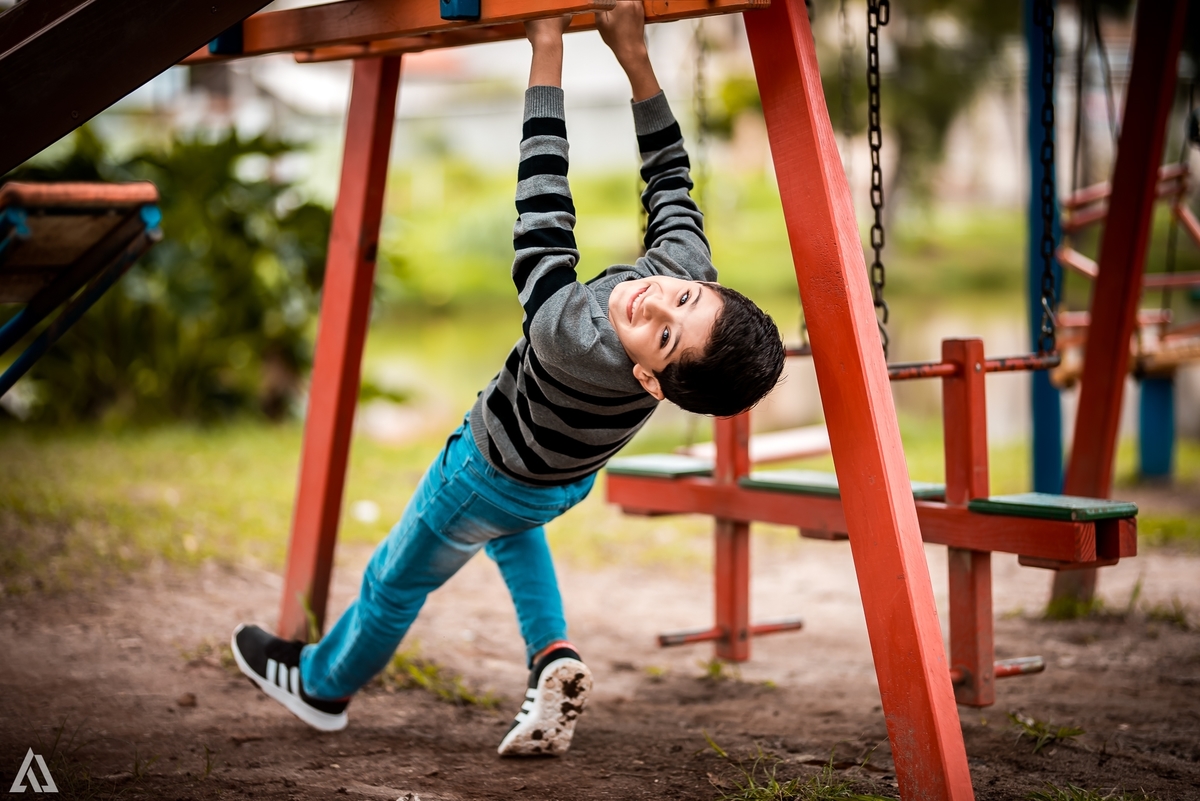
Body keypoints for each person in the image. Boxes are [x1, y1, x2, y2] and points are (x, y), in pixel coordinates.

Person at [230, 1, 785, 756]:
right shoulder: (685, 277)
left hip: (485, 468)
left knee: (397, 577)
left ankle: (322, 685)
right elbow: (669, 173)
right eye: (683, 297)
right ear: (705, 284)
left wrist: (546, 48)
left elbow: (543, 211)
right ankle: (553, 654)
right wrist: (635, 58)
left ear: (654, 381)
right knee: (516, 533)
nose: (656, 298)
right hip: (557, 476)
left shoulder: (571, 340)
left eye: (660, 334)